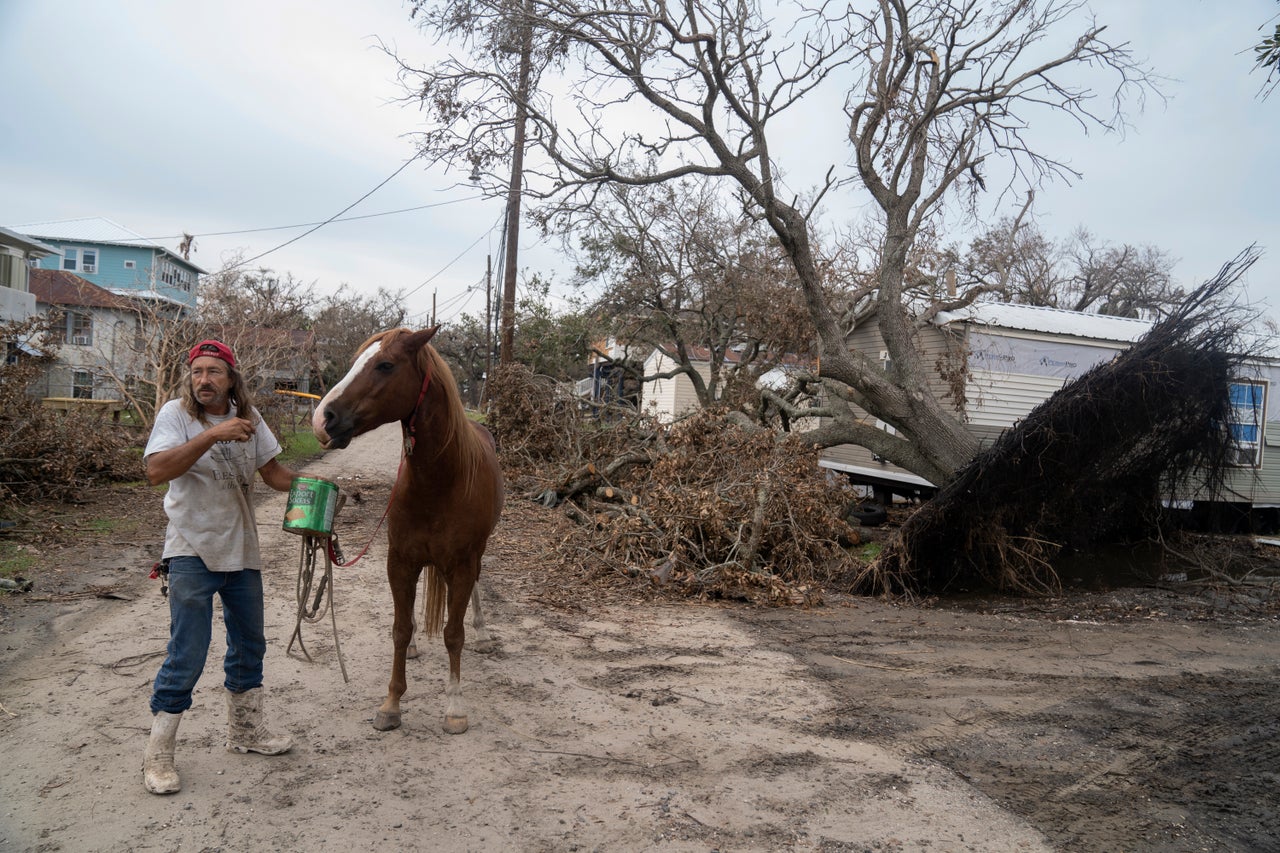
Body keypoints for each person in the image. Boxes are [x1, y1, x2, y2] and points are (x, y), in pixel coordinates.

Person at [141, 339, 300, 795]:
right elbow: (155, 471)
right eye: (197, 372)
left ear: (232, 378)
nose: (203, 380)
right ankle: (159, 756)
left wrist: (318, 485)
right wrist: (212, 434)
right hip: (191, 548)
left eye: (213, 372)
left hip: (242, 549)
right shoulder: (177, 415)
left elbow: (274, 475)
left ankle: (246, 733)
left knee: (250, 644)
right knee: (188, 651)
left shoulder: (250, 420)